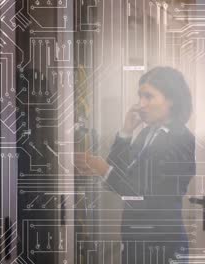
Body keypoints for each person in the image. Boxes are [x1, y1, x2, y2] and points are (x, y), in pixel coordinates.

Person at [76, 66, 196, 264]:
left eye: (149, 97)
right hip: (136, 243)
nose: (140, 104)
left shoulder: (181, 139)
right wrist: (126, 132)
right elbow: (118, 171)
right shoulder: (147, 134)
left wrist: (103, 169)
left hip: (162, 246)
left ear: (171, 100)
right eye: (140, 96)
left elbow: (141, 194)